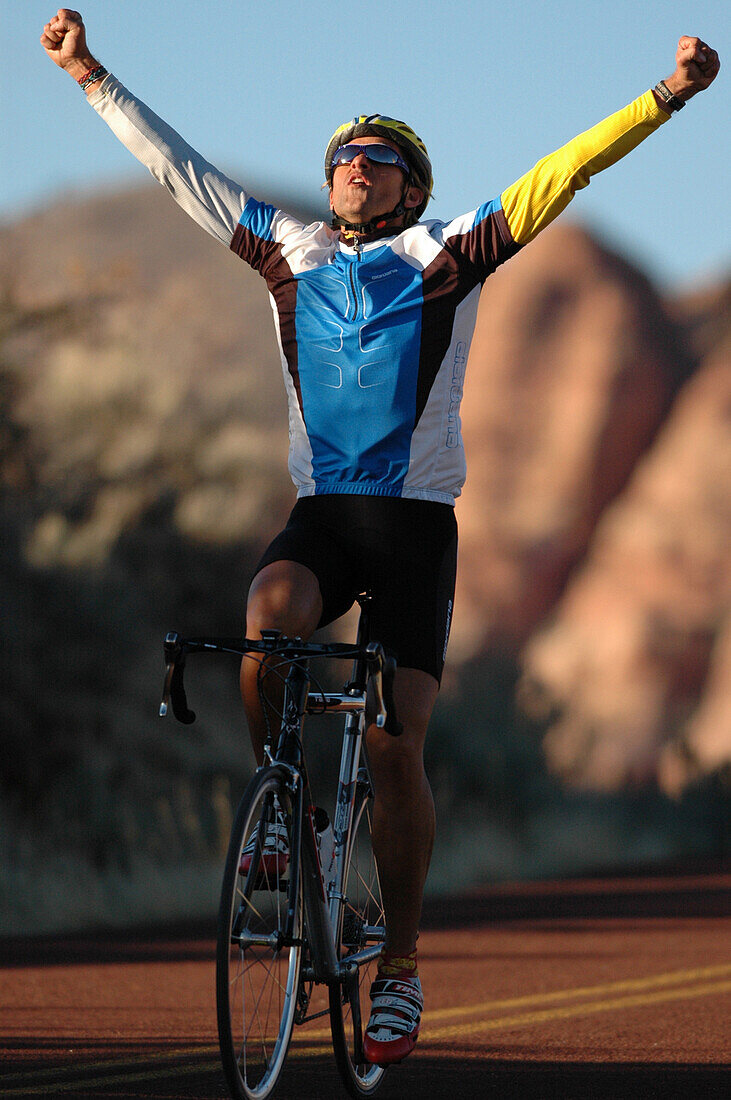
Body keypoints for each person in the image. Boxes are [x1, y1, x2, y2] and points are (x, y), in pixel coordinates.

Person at [41, 9, 719, 1067]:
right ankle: (282, 815)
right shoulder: (287, 251)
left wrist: (665, 97)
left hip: (412, 532)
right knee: (268, 621)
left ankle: (397, 961)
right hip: (323, 518)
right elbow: (178, 170)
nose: (355, 166)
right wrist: (89, 74)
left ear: (410, 183)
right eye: (342, 156)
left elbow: (561, 172)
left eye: (379, 157)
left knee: (400, 741)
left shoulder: (447, 253)